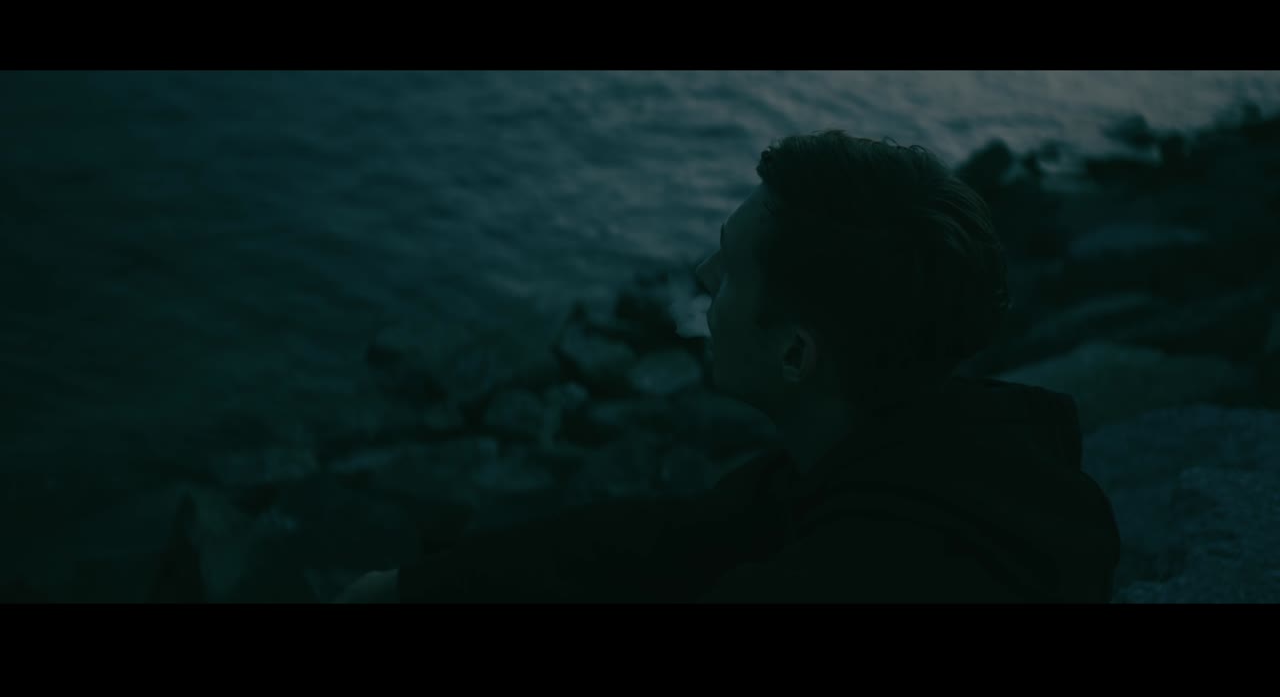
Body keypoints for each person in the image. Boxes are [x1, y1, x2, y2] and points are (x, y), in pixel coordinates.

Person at [336, 130, 1121, 603]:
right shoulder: (935, 455)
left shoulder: (867, 572)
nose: (704, 278)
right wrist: (416, 588)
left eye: (732, 269)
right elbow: (673, 539)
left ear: (794, 354)